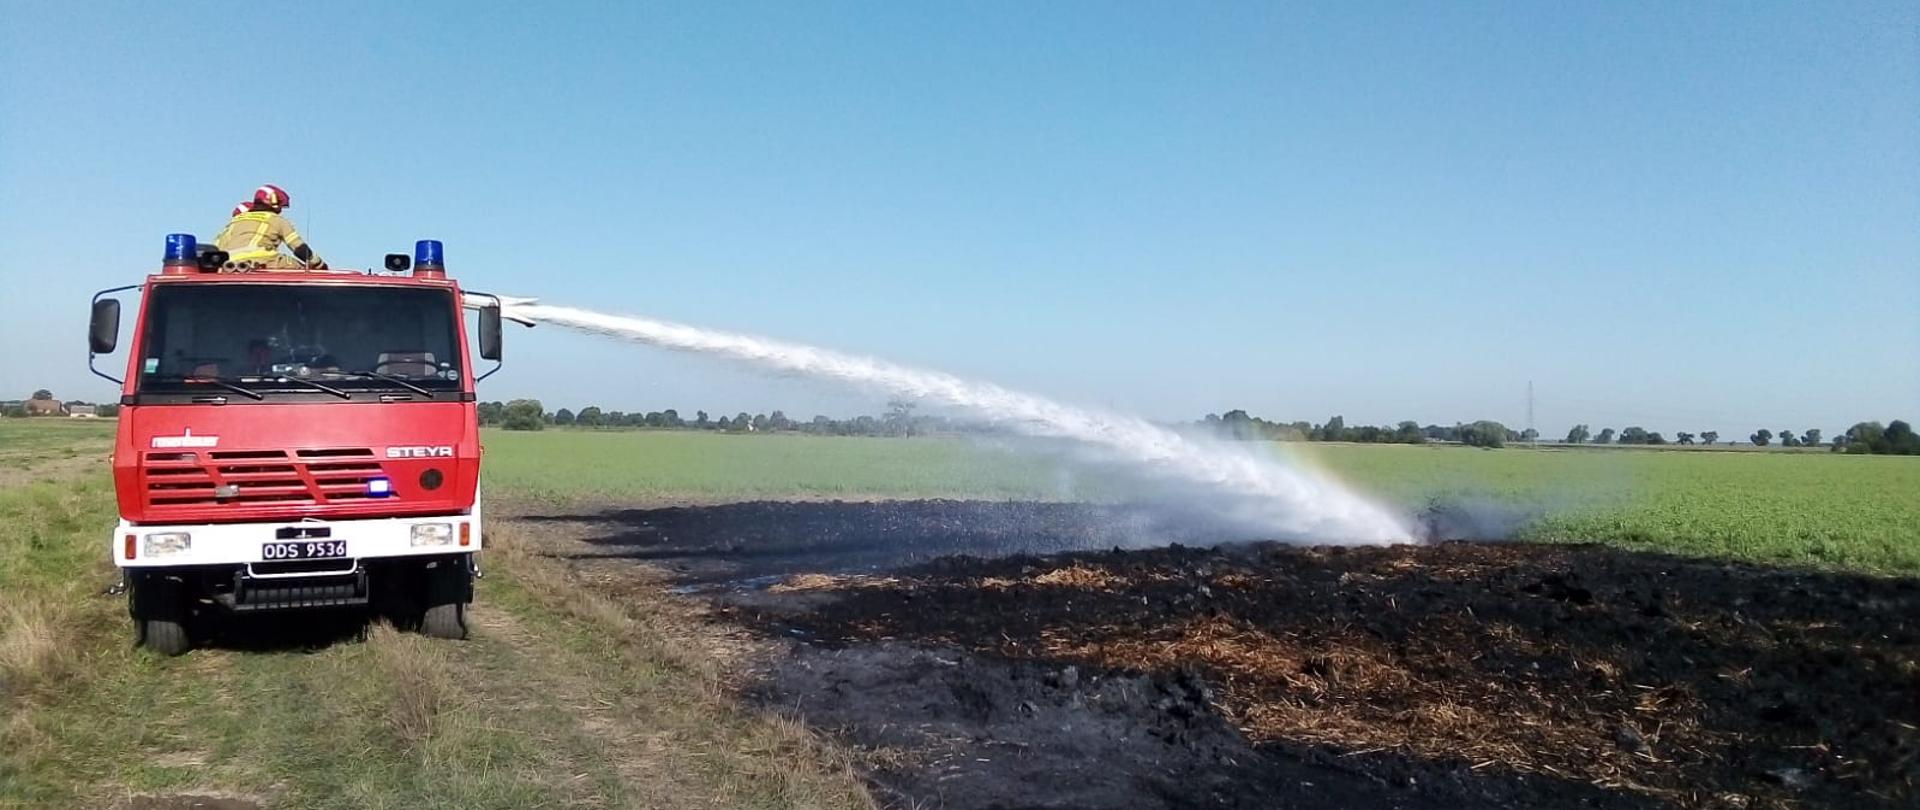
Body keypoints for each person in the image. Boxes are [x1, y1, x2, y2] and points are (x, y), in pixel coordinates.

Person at [213, 185, 326, 271]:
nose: (281, 210)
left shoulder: (235, 221)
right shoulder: (276, 219)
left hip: (227, 265)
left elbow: (216, 247)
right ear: (274, 202)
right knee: (303, 270)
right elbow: (299, 248)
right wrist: (319, 265)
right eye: (281, 206)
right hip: (262, 261)